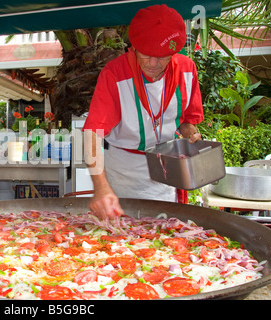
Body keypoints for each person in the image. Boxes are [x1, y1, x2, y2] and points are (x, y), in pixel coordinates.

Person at [83, 4, 204, 220]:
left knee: (163, 236)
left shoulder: (187, 70)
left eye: (163, 57)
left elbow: (185, 121)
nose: (153, 64)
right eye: (146, 55)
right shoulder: (115, 74)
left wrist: (189, 132)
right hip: (122, 174)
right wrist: (100, 186)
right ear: (134, 47)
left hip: (165, 170)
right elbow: (91, 134)